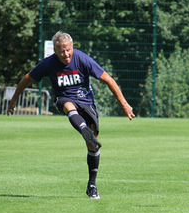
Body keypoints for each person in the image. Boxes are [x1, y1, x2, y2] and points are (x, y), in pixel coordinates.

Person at [7, 31, 135, 199]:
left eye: (68, 50)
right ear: (55, 50)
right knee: (68, 106)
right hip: (64, 98)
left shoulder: (82, 59)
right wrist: (13, 99)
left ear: (72, 47)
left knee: (93, 147)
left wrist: (124, 104)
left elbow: (108, 79)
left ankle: (91, 185)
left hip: (86, 101)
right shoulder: (48, 63)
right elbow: (27, 78)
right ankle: (84, 131)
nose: (65, 54)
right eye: (61, 51)